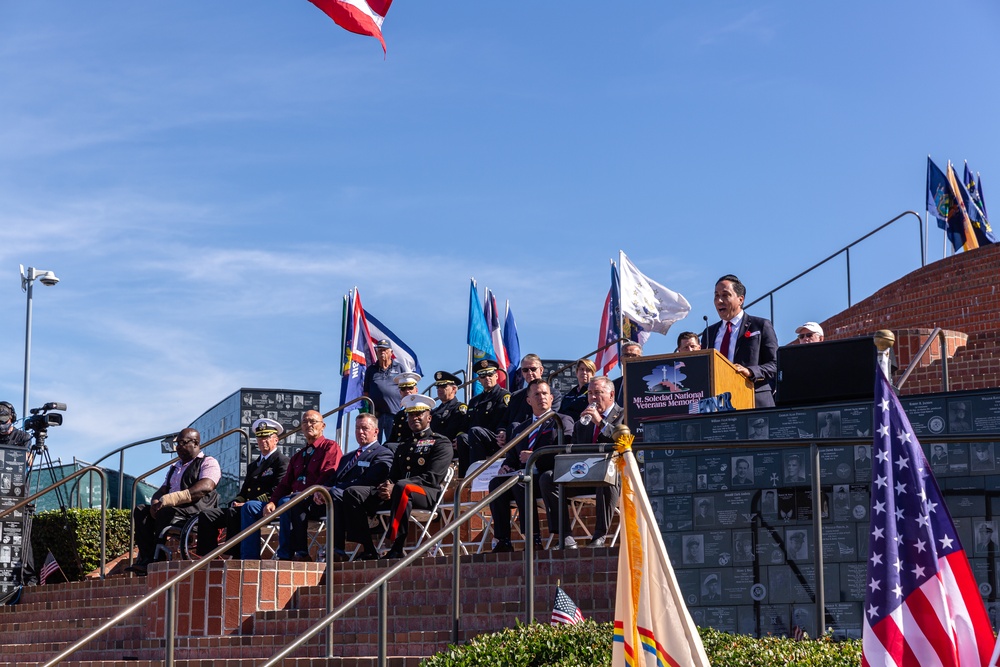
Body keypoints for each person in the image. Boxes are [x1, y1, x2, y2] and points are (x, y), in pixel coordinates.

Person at [344, 394, 453, 560]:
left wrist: (395, 486)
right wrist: (387, 485)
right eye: (410, 414)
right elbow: (393, 475)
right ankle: (368, 548)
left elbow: (432, 477)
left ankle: (396, 545)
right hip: (399, 492)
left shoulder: (441, 443)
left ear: (429, 417)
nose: (414, 417)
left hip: (426, 493)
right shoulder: (403, 445)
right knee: (353, 492)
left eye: (419, 414)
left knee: (403, 487)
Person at [288, 413, 394, 561]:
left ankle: (338, 550)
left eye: (365, 428)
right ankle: (301, 553)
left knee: (335, 493)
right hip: (335, 500)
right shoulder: (347, 458)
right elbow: (333, 479)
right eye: (357, 428)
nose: (360, 432)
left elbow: (370, 480)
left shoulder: (383, 453)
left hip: (361, 500)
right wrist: (321, 490)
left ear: (376, 431)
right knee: (297, 499)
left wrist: (332, 490)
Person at [243, 410, 343, 560]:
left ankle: (287, 555)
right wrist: (272, 501)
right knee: (250, 506)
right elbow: (284, 484)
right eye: (305, 422)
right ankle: (249, 558)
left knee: (287, 502)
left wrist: (311, 493)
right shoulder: (298, 456)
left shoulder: (330, 447)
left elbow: (329, 474)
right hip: (293, 501)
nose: (308, 425)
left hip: (317, 500)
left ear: (323, 426)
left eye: (313, 421)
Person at [489, 379, 574, 552]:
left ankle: (533, 539)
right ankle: (503, 540)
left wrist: (535, 456)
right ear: (529, 401)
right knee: (496, 483)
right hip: (525, 477)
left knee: (521, 482)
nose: (541, 397)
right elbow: (512, 455)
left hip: (549, 476)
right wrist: (506, 466)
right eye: (536, 394)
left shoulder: (562, 421)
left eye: (544, 394)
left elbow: (566, 451)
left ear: (551, 398)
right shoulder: (521, 428)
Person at [540, 376, 622, 548]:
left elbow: (621, 440)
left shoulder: (623, 414)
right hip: (585, 474)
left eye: (598, 393)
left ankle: (599, 536)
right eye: (590, 393)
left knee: (607, 475)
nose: (592, 397)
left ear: (612, 395)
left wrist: (600, 423)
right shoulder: (581, 424)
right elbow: (576, 453)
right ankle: (565, 536)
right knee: (548, 478)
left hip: (612, 475)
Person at [128, 428, 220, 574]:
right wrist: (155, 502)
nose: (178, 447)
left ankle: (156, 558)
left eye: (183, 443)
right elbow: (163, 489)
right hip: (172, 508)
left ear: (195, 443)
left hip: (196, 509)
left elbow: (206, 486)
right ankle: (145, 558)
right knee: (141, 510)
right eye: (177, 444)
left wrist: (170, 499)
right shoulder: (175, 467)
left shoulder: (208, 462)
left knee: (165, 511)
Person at [196, 418, 289, 558]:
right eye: (259, 437)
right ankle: (206, 558)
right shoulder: (254, 465)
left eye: (267, 437)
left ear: (276, 439)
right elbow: (244, 491)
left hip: (266, 506)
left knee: (240, 511)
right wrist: (237, 500)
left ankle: (235, 556)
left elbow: (277, 490)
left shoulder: (282, 461)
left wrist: (245, 503)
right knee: (207, 515)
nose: (262, 441)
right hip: (244, 506)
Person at [703, 274, 778, 408]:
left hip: (754, 401)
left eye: (725, 295)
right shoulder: (709, 332)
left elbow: (776, 364)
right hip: (718, 405)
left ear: (740, 299)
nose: (719, 300)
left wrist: (751, 372)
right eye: (716, 295)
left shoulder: (760, 326)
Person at [0, 402, 36, 584]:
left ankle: (28, 577)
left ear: (12, 417)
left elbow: (30, 461)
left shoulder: (23, 436)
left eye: (4, 419)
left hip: (18, 494)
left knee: (23, 537)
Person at [455, 359, 510, 476]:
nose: (487, 378)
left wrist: (503, 431)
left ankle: (477, 474)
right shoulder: (474, 401)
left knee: (475, 431)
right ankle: (464, 478)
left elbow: (506, 419)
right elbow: (466, 424)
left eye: (490, 375)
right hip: (477, 440)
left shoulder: (504, 396)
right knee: (462, 438)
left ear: (496, 376)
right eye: (483, 376)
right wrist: (458, 436)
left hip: (495, 439)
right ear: (479, 379)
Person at [363, 339, 405, 440]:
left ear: (391, 352)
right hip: (376, 415)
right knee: (374, 443)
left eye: (385, 350)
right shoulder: (371, 370)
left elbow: (406, 388)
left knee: (393, 442)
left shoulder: (399, 368)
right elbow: (366, 392)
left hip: (395, 413)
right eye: (380, 350)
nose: (382, 352)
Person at [504, 354, 546, 433]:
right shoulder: (515, 396)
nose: (529, 373)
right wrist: (501, 431)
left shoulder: (552, 394)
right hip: (511, 437)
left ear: (541, 370)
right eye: (525, 370)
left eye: (533, 369)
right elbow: (505, 420)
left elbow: (549, 419)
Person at [430, 371, 468, 443]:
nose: (439, 389)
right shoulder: (434, 412)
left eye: (443, 386)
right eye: (438, 387)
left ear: (454, 389)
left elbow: (460, 430)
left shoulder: (459, 408)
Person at [385, 372, 421, 447]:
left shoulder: (423, 412)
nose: (407, 391)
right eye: (403, 389)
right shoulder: (400, 415)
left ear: (416, 390)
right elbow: (392, 438)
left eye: (410, 388)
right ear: (400, 392)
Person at [558, 358, 596, 423]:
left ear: (593, 374)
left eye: (588, 370)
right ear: (576, 373)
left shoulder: (594, 393)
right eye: (581, 369)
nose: (584, 372)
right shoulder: (569, 395)